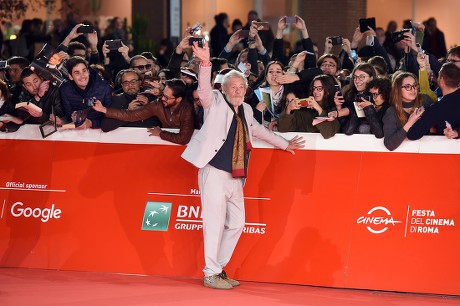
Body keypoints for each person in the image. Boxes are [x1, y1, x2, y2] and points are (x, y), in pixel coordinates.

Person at [181, 41, 304, 290]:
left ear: (246, 89)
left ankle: (218, 268)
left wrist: (284, 144)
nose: (237, 90)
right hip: (213, 172)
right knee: (214, 224)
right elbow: (203, 90)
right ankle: (210, 273)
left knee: (237, 223)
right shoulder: (214, 102)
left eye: (241, 87)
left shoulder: (247, 109)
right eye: (233, 87)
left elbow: (258, 131)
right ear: (224, 89)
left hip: (236, 175)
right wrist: (205, 64)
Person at [93, 78, 194, 145]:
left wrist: (161, 133)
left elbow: (184, 139)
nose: (162, 98)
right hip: (166, 146)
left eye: (166, 97)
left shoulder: (187, 109)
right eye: (163, 94)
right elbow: (131, 115)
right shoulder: (158, 104)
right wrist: (104, 109)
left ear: (178, 99)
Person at [407, 63, 460, 140]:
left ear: (441, 80)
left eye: (438, 75)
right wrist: (457, 132)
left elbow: (412, 134)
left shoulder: (437, 109)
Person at [278, 74, 340, 139]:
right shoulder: (303, 109)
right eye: (314, 88)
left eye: (319, 89)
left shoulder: (334, 110)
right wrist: (288, 109)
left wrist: (318, 108)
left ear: (328, 91)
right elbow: (282, 129)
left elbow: (328, 133)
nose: (315, 91)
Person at [60, 56, 113, 129]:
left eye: (84, 71)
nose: (82, 76)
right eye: (77, 73)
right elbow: (68, 114)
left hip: (101, 129)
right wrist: (74, 119)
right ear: (70, 77)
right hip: (78, 129)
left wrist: (92, 123)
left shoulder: (104, 87)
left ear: (88, 71)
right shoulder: (65, 89)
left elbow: (112, 116)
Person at [382, 72, 428, 151]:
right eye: (408, 86)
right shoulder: (391, 112)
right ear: (398, 89)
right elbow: (389, 145)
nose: (413, 89)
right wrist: (410, 122)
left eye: (414, 85)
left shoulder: (425, 100)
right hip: (404, 156)